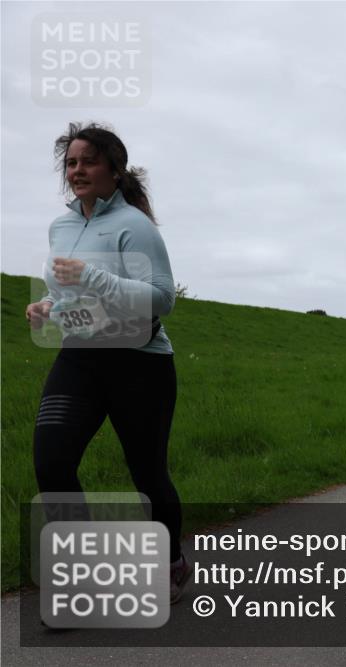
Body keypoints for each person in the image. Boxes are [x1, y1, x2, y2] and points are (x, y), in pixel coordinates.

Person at [25, 123, 190, 605]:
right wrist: (47, 309)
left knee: (147, 473)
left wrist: (94, 276)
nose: (78, 171)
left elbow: (161, 300)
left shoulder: (134, 226)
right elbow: (67, 292)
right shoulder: (62, 226)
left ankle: (172, 566)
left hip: (139, 363)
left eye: (88, 161)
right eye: (71, 163)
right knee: (52, 462)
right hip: (79, 358)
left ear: (114, 171)